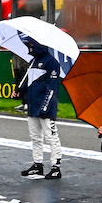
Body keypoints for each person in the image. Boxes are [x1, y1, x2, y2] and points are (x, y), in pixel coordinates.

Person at [20, 38, 64, 179]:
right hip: (32, 106)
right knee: (35, 137)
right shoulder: (33, 62)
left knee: (51, 137)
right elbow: (29, 82)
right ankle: (37, 164)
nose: (29, 48)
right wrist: (20, 90)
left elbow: (53, 87)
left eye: (31, 45)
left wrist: (45, 106)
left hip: (46, 107)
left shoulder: (52, 63)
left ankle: (55, 167)